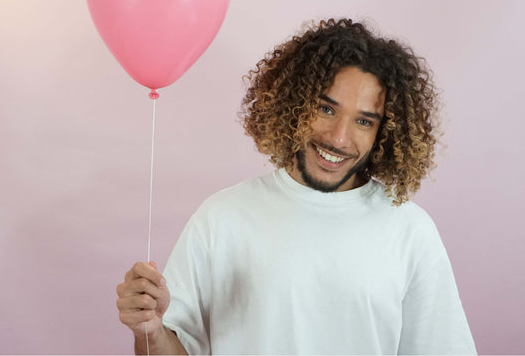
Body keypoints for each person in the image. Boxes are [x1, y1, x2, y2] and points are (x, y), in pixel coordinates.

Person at [115, 18, 476, 355]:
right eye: (326, 109)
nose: (339, 138)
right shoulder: (222, 217)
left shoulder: (410, 231)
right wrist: (151, 330)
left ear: (385, 132)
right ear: (294, 104)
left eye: (364, 121)